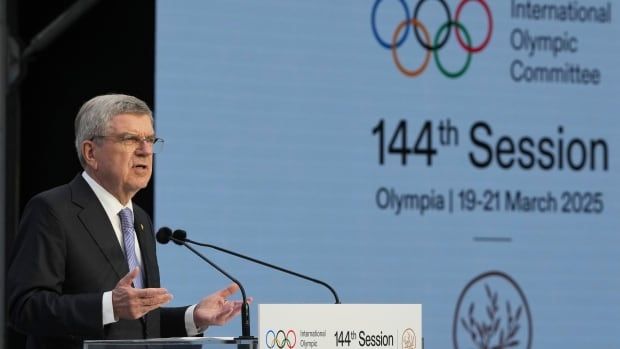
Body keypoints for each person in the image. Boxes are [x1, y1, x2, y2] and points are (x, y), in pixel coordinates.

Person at [7, 94, 249, 349]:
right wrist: (108, 306)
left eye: (149, 139)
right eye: (130, 139)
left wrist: (193, 317)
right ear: (91, 152)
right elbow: (24, 308)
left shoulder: (140, 219)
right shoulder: (53, 210)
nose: (145, 150)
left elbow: (138, 324)